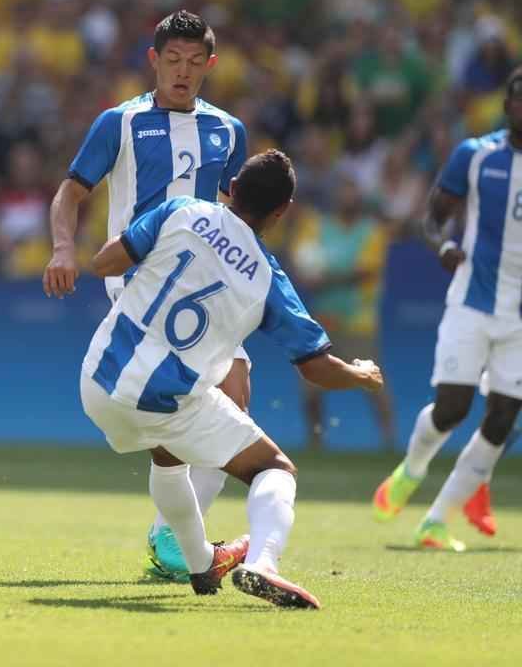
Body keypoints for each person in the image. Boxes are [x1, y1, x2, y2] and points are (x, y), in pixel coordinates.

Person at [81, 150, 384, 608]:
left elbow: (105, 263)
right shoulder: (267, 278)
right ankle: (262, 562)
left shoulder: (180, 210)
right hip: (164, 401)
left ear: (233, 186)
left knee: (167, 451)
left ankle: (202, 563)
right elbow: (316, 367)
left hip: (97, 383)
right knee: (275, 468)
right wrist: (360, 375)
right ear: (281, 213)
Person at [43, 10, 249, 582]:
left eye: (194, 63)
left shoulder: (229, 131)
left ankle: (171, 535)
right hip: (142, 282)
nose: (182, 73)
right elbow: (71, 191)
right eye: (172, 61)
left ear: (210, 66)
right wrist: (63, 248)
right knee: (185, 412)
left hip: (208, 286)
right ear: (154, 61)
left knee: (237, 399)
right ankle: (181, 545)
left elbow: (233, 214)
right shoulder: (121, 122)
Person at [372, 66, 522, 551]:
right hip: (472, 301)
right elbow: (433, 218)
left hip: (519, 318)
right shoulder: (476, 156)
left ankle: (436, 519)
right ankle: (411, 471)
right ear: (505, 105)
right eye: (518, 98)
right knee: (453, 408)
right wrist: (442, 247)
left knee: (502, 418)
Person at [290, 177, 395, 449]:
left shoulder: (372, 231)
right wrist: (309, 275)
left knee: (373, 381)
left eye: (352, 193)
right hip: (323, 319)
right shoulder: (316, 226)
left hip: (358, 321)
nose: (347, 198)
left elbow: (365, 272)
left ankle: (389, 440)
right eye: (343, 193)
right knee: (310, 385)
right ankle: (315, 439)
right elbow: (301, 264)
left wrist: (324, 278)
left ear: (359, 199)